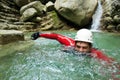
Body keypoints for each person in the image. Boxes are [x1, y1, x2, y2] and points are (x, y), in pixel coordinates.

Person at [31, 28, 113, 63]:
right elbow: (56, 36)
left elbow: (111, 64)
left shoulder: (96, 53)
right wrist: (40, 34)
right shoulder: (70, 43)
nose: (80, 50)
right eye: (78, 46)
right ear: (75, 43)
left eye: (84, 48)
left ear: (90, 47)